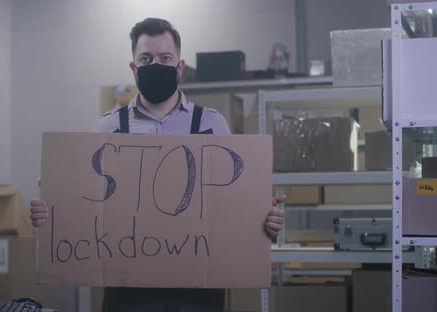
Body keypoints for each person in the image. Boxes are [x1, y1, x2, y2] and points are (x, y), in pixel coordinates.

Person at [30, 17, 285, 312]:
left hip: (198, 295)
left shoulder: (213, 124)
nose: (156, 65)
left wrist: (266, 222)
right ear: (133, 68)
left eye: (165, 58)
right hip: (127, 294)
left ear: (179, 67)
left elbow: (234, 207)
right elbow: (83, 208)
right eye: (146, 59)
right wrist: (48, 216)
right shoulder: (108, 127)